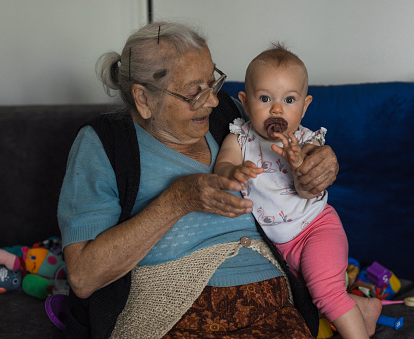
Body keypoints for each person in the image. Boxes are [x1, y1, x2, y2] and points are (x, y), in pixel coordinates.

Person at [58, 22, 339, 338]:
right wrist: (177, 201)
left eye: (213, 82)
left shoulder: (231, 118)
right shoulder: (104, 144)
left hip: (274, 311)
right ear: (143, 99)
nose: (213, 101)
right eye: (195, 92)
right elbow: (83, 276)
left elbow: (297, 152)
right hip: (170, 316)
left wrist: (322, 162)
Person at [214, 43, 382, 338]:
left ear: (304, 106)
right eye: (265, 98)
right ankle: (363, 309)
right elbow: (223, 165)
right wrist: (233, 173)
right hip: (279, 247)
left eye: (289, 100)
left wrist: (298, 162)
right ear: (245, 100)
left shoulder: (306, 139)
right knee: (299, 301)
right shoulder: (240, 136)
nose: (277, 109)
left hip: (316, 229)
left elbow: (309, 175)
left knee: (326, 293)